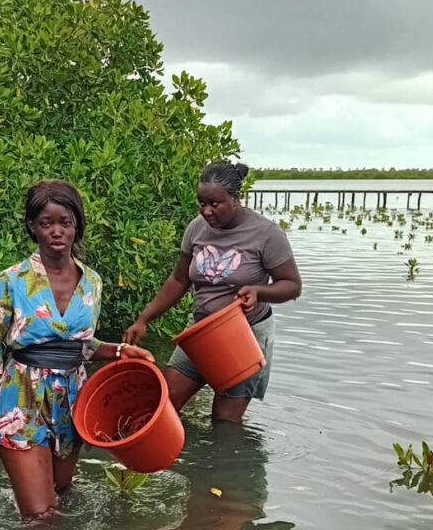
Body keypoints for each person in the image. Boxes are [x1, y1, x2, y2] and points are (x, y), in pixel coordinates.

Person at [0, 180, 154, 520]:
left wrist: (118, 352)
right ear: (32, 227)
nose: (56, 231)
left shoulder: (93, 282)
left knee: (61, 495)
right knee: (40, 517)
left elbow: (79, 345)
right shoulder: (12, 280)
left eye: (65, 223)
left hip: (73, 401)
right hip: (21, 397)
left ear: (76, 226)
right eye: (46, 223)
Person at [123, 161, 301, 423]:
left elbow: (292, 285)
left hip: (245, 337)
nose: (206, 212)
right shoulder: (196, 228)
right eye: (201, 203)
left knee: (225, 421)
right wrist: (144, 318)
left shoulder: (266, 234)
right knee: (162, 405)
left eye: (214, 204)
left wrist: (258, 291)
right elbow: (178, 280)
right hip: (201, 333)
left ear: (235, 198)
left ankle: (224, 464)